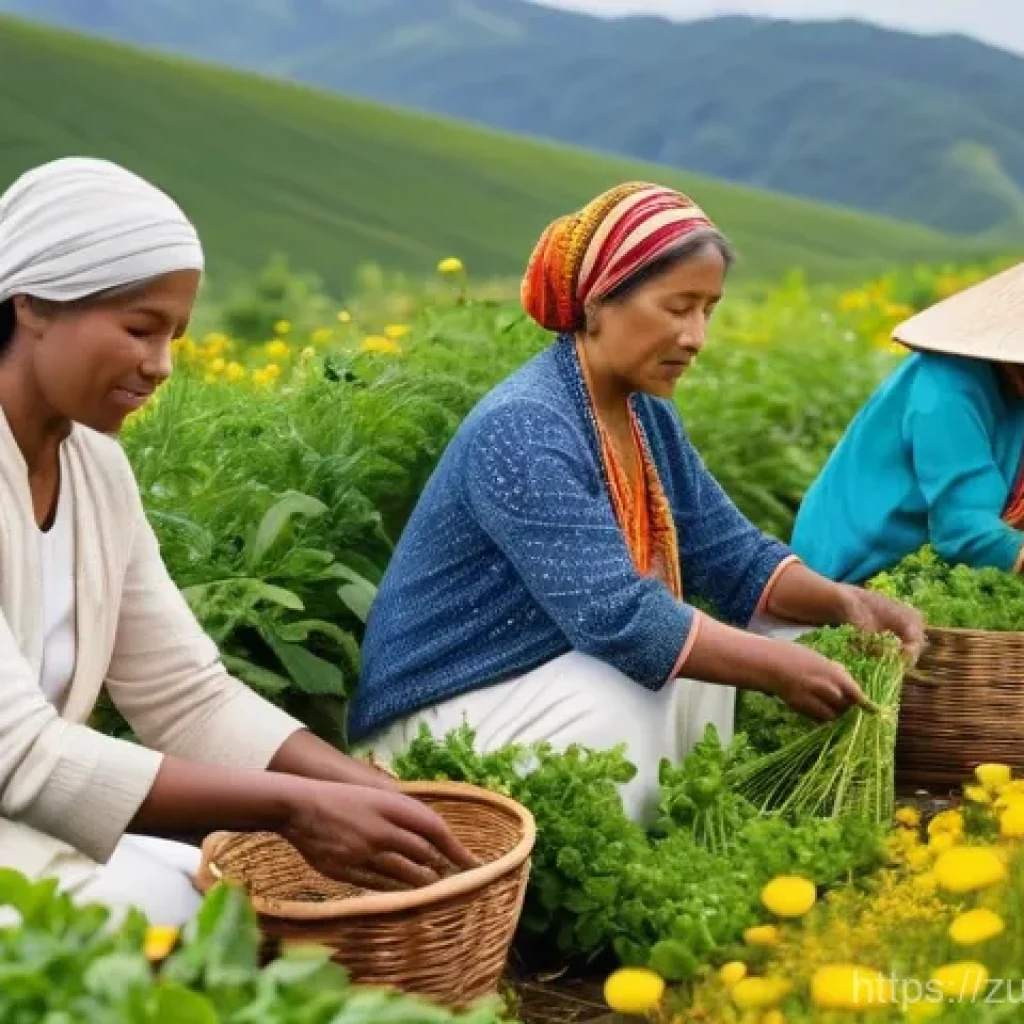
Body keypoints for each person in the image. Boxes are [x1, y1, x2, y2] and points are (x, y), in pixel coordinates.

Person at [350, 182, 924, 821]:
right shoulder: (526, 426)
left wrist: (846, 603)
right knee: (632, 687)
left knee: (761, 641)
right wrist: (779, 668)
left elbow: (729, 553)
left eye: (709, 309)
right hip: (450, 703)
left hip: (539, 673)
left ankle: (669, 833)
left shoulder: (641, 412)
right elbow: (619, 619)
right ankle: (584, 870)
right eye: (678, 307)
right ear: (599, 302)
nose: (697, 336)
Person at [0, 157, 473, 929]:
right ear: (34, 303)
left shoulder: (96, 467)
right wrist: (294, 807)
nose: (160, 366)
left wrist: (361, 790)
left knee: (233, 905)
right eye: (139, 328)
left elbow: (187, 697)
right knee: (202, 927)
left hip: (30, 831)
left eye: (176, 336)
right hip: (20, 820)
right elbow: (19, 755)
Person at [792, 262, 1024, 583]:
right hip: (855, 570)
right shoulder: (947, 387)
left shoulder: (1015, 384)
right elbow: (964, 529)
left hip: (936, 567)